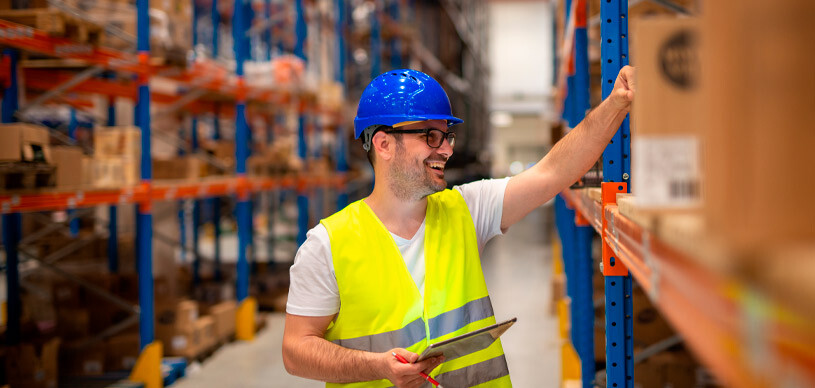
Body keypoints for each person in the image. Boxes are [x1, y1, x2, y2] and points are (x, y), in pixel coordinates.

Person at [282, 66, 636, 388]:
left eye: (447, 136)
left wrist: (616, 104)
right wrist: (378, 367)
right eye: (431, 137)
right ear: (384, 144)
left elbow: (552, 172)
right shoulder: (328, 244)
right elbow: (296, 350)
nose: (446, 150)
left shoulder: (467, 209)